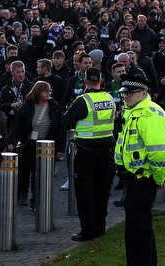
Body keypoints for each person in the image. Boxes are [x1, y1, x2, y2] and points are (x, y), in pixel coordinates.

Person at [113, 76, 165, 266]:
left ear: (144, 93)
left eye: (130, 93)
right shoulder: (137, 110)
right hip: (135, 179)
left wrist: (159, 178)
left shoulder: (148, 114)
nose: (126, 96)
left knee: (137, 233)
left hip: (143, 179)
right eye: (124, 93)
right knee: (140, 230)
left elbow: (157, 153)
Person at [62, 67, 115, 241]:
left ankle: (88, 230)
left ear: (85, 82)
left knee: (85, 191)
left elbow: (66, 122)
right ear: (101, 81)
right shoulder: (109, 98)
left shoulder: (82, 101)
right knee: (102, 190)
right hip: (106, 150)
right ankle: (100, 226)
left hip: (86, 151)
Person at [7, 80, 64, 209]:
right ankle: (25, 195)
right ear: (38, 92)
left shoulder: (54, 106)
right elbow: (16, 124)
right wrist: (11, 142)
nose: (49, 93)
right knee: (28, 172)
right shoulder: (27, 106)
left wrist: (60, 149)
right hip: (30, 145)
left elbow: (60, 127)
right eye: (45, 91)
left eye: (49, 90)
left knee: (40, 176)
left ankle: (36, 202)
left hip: (47, 145)